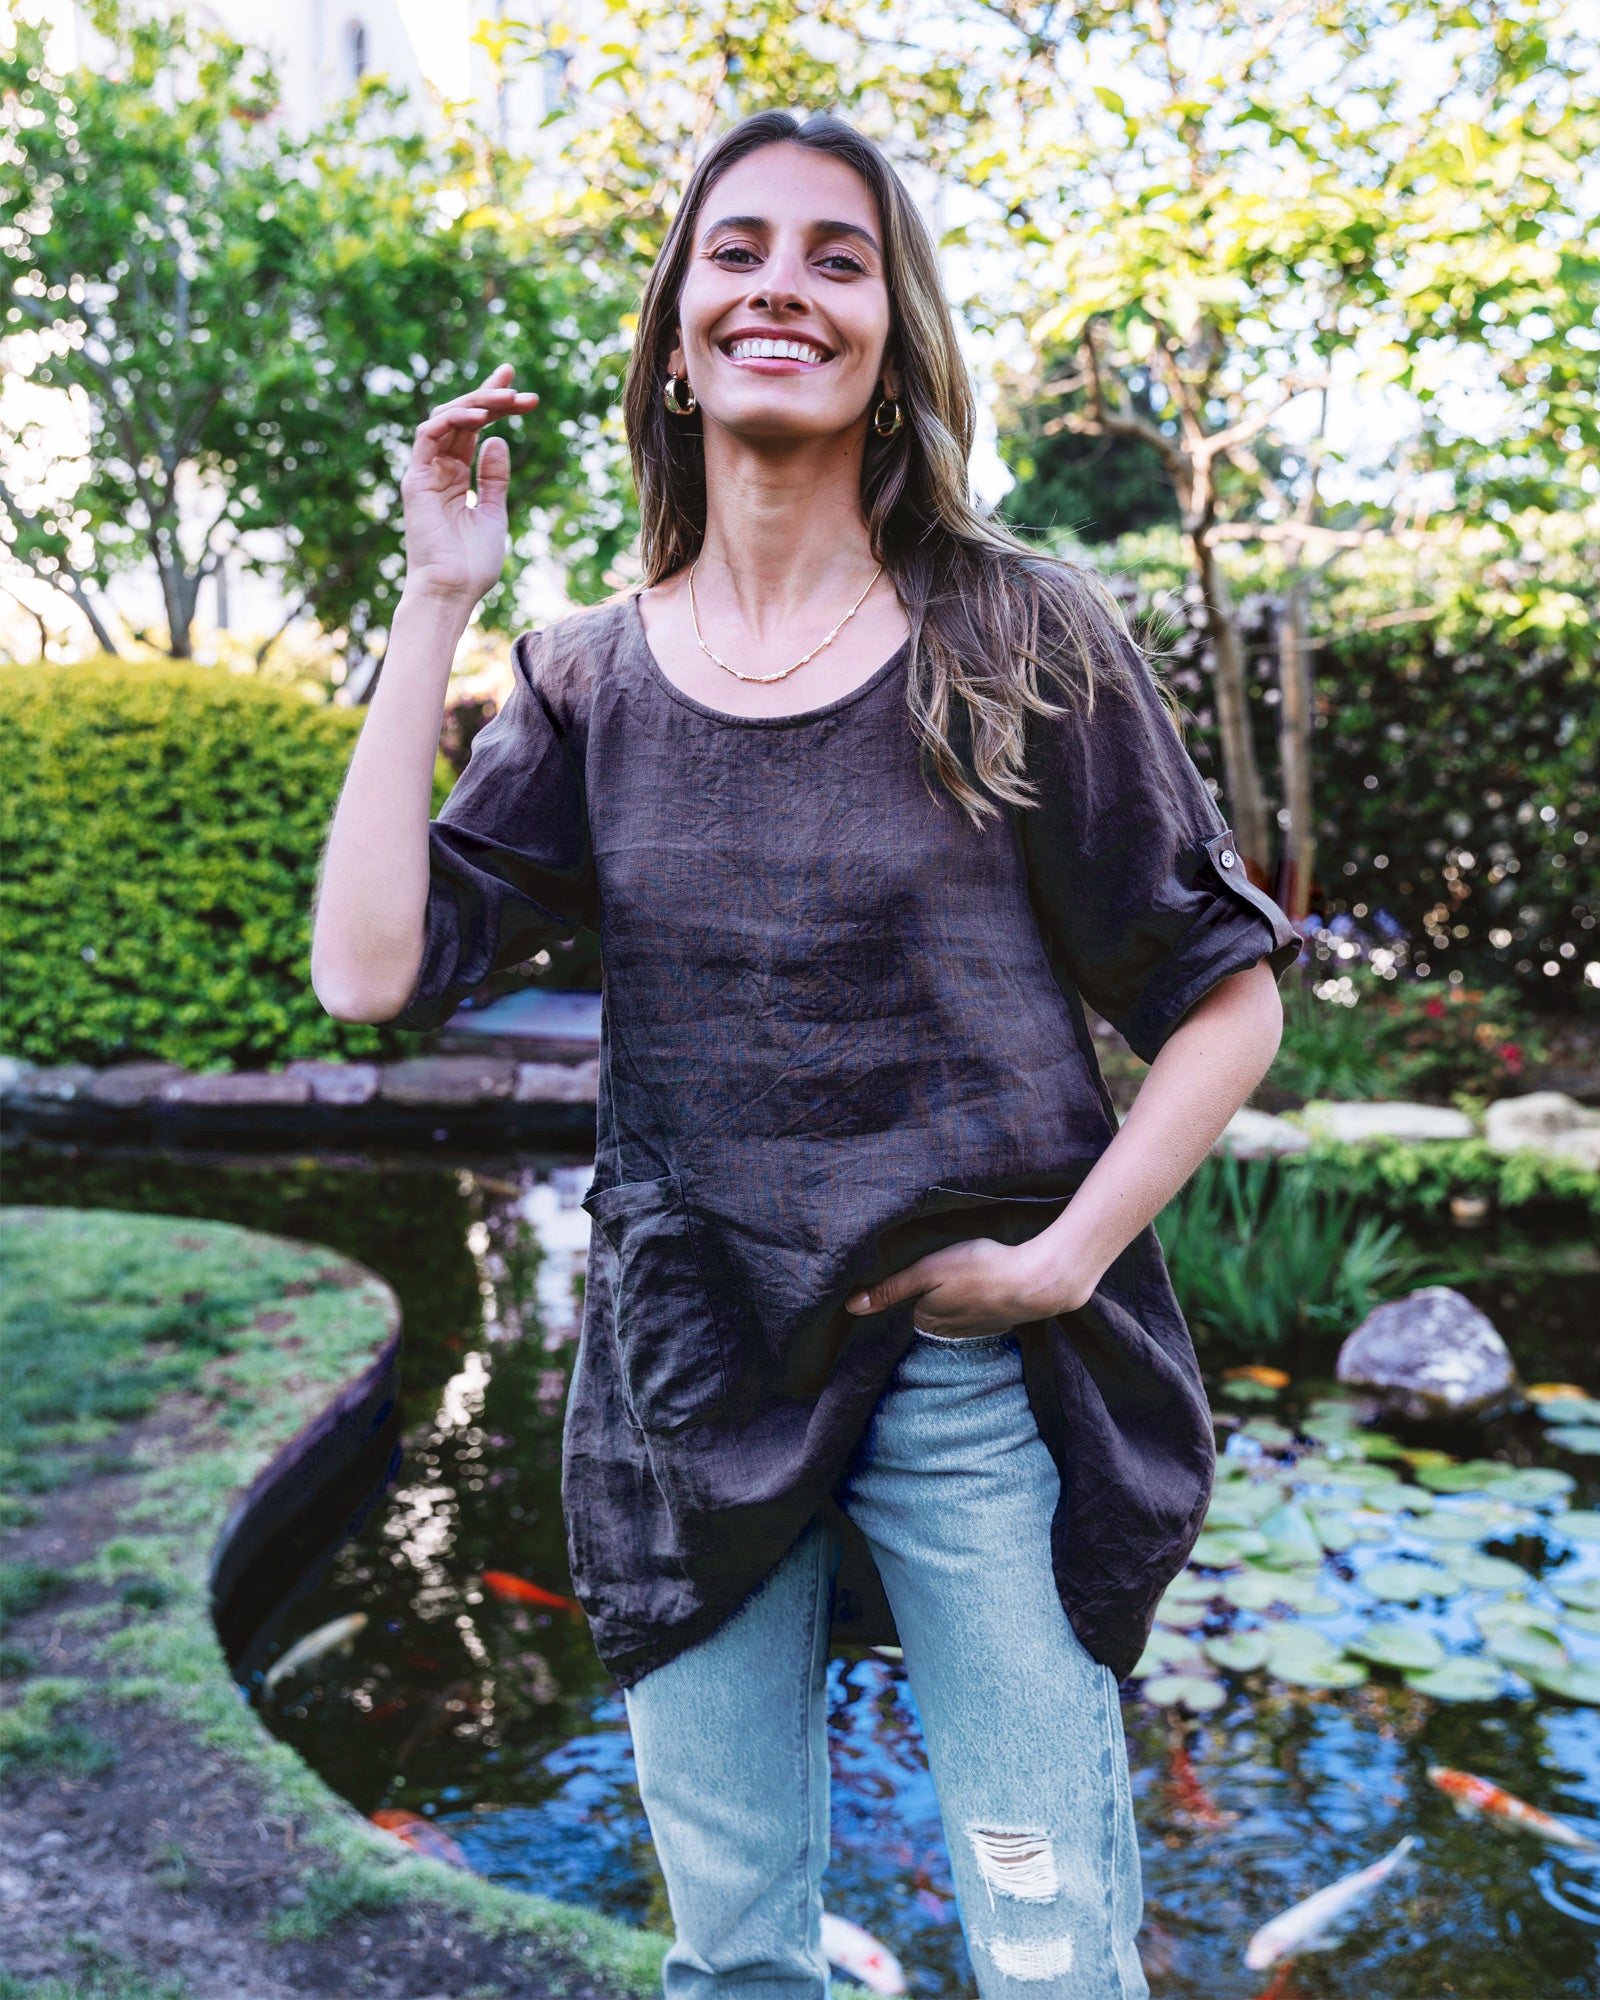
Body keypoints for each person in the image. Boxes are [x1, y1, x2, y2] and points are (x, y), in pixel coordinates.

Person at [311, 108, 1302, 2000]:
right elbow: (373, 972)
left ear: (892, 337)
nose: (784, 288)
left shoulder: (1016, 632)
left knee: (1050, 1947)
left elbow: (1224, 993)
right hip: (694, 1372)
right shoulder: (586, 676)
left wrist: (1063, 1261)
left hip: (970, 1374)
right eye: (738, 251)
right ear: (679, 337)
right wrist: (437, 594)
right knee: (738, 1955)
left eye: (838, 259)